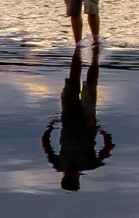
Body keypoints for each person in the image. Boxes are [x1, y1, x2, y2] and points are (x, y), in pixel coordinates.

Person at [41, 50, 114, 191]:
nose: (69, 174)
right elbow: (107, 149)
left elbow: (46, 147)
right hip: (87, 118)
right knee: (91, 84)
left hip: (68, 116)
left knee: (72, 80)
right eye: (71, 177)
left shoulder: (59, 165)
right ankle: (94, 57)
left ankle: (78, 51)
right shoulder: (90, 164)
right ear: (77, 178)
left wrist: (50, 127)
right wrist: (100, 129)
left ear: (63, 177)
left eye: (66, 176)